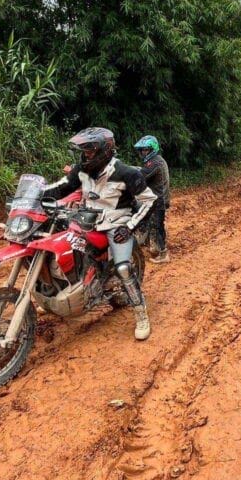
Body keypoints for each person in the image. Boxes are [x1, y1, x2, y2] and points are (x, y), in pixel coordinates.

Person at [43, 127, 157, 341]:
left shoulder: (126, 173)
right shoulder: (82, 171)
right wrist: (36, 196)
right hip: (85, 220)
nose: (86, 156)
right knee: (57, 249)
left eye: (89, 151)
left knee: (123, 268)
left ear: (104, 150)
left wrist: (129, 226)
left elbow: (150, 200)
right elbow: (61, 187)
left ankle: (141, 313)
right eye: (84, 152)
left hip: (116, 223)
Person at [134, 135, 171, 263]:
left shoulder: (155, 162)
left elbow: (141, 175)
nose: (143, 152)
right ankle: (151, 244)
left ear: (152, 149)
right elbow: (142, 171)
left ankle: (163, 253)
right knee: (152, 222)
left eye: (145, 150)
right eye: (142, 150)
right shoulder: (156, 161)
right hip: (156, 198)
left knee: (157, 225)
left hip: (158, 199)